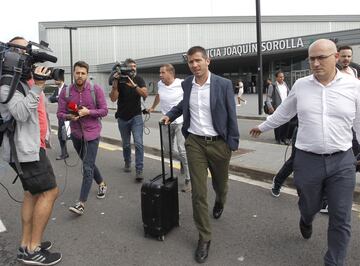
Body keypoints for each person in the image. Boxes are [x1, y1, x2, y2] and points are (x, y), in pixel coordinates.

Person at [250, 39, 360, 266]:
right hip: (307, 160)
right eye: (312, 58)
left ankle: (334, 261)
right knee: (309, 206)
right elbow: (284, 112)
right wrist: (263, 127)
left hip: (342, 161)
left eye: (322, 57)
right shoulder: (301, 85)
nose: (316, 63)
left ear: (336, 58)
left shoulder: (354, 86)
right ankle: (306, 219)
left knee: (341, 217)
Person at [161, 46, 239, 264]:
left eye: (197, 61)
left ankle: (220, 201)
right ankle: (204, 237)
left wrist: (232, 144)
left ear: (207, 61)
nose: (194, 65)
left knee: (220, 186)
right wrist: (170, 114)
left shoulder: (223, 84)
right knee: (198, 193)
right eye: (190, 62)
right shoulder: (187, 84)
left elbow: (231, 114)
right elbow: (183, 104)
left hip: (219, 144)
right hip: (194, 142)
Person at [0, 37, 62, 265]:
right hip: (24, 150)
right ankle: (33, 249)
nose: (27, 54)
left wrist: (35, 84)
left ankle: (26, 245)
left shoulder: (16, 79)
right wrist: (37, 86)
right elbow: (21, 113)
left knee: (33, 193)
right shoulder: (7, 81)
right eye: (23, 49)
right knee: (50, 192)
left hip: (28, 147)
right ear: (11, 53)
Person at [57, 61, 108, 215]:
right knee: (89, 163)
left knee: (87, 167)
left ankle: (81, 203)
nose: (80, 76)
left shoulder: (95, 89)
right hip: (76, 135)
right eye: (77, 73)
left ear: (87, 74)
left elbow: (104, 110)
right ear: (73, 73)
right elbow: (59, 113)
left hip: (92, 134)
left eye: (83, 73)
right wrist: (68, 116)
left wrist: (88, 113)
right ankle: (102, 183)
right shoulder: (65, 92)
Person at [147, 64, 191, 192]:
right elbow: (158, 95)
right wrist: (153, 107)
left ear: (171, 73)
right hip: (166, 122)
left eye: (162, 72)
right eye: (159, 72)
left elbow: (189, 98)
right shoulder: (160, 84)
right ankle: (183, 162)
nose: (160, 75)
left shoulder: (181, 84)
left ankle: (189, 179)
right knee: (168, 151)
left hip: (180, 121)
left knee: (182, 150)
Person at [109, 58, 148, 182]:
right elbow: (113, 99)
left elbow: (145, 95)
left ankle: (139, 169)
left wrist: (134, 86)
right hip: (122, 117)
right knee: (126, 144)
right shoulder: (120, 80)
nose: (133, 68)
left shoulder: (139, 79)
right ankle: (127, 162)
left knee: (138, 143)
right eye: (130, 66)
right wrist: (115, 82)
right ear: (125, 68)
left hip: (136, 116)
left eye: (135, 66)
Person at [265, 71, 291, 144]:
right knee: (278, 123)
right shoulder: (272, 86)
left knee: (286, 123)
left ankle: (284, 138)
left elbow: (289, 94)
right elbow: (268, 97)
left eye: (283, 77)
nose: (282, 78)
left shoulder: (285, 84)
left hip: (286, 107)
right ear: (276, 78)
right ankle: (278, 139)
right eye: (280, 77)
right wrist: (270, 106)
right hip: (277, 107)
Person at [49, 74, 69, 160]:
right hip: (61, 116)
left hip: (69, 115)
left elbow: (71, 101)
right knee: (62, 135)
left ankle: (82, 149)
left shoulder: (68, 88)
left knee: (70, 135)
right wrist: (58, 97)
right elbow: (51, 99)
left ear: (60, 80)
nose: (54, 81)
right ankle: (64, 153)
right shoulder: (57, 89)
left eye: (56, 80)